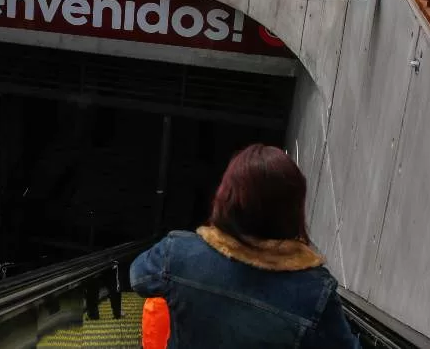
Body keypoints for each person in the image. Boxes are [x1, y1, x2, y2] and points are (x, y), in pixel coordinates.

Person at [131, 144, 359, 349]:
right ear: (292, 210)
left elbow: (138, 277)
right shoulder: (314, 292)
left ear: (226, 197)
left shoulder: (179, 253)